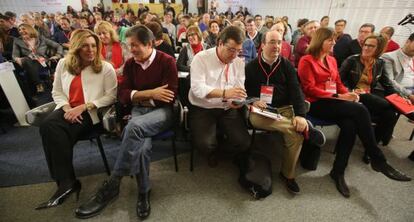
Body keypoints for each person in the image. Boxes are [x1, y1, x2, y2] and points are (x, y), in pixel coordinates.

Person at [75, 25, 178, 220]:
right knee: (142, 147)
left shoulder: (167, 61)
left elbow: (169, 98)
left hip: (162, 112)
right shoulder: (131, 64)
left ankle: (113, 183)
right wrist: (149, 94)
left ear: (149, 44)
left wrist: (136, 96)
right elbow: (122, 95)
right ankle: (143, 193)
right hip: (140, 111)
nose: (131, 50)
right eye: (129, 45)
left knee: (134, 126)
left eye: (135, 45)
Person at [298, 27, 411, 198]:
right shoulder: (307, 60)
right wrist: (339, 96)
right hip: (316, 103)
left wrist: (348, 94)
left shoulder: (332, 60)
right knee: (359, 109)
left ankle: (338, 171)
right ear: (321, 41)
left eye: (334, 40)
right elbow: (309, 89)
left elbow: (338, 82)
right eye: (330, 40)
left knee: (350, 125)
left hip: (334, 100)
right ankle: (377, 157)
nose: (334, 43)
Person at [35, 29, 117, 210]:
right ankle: (67, 182)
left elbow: (111, 97)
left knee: (56, 131)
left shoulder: (105, 67)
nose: (91, 50)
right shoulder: (64, 64)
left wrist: (84, 107)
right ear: (76, 48)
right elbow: (56, 91)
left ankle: (66, 183)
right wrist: (67, 108)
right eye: (85, 46)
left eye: (94, 46)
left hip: (91, 112)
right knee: (47, 125)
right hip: (67, 108)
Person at [245, 30, 325, 194]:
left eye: (279, 42)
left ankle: (288, 175)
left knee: (295, 135)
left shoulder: (287, 65)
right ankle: (307, 130)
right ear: (263, 45)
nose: (276, 46)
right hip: (262, 110)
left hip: (283, 109)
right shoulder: (251, 66)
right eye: (272, 42)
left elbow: (296, 92)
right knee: (262, 122)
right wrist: (253, 100)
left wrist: (301, 116)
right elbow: (244, 92)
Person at [188, 26, 250, 167]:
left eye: (238, 51)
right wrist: (224, 93)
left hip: (227, 107)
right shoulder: (201, 58)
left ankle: (220, 144)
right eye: (231, 50)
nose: (234, 55)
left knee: (244, 142)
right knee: (205, 145)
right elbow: (197, 89)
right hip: (203, 107)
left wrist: (239, 100)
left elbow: (240, 87)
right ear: (220, 43)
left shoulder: (238, 62)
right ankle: (213, 150)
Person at [340, 35, 400, 162]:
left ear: (378, 49)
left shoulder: (379, 63)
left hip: (368, 97)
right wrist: (350, 91)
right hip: (353, 95)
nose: (366, 48)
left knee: (390, 114)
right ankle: (387, 133)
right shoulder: (352, 60)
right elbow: (339, 80)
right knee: (390, 106)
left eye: (371, 46)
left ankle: (370, 150)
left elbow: (387, 84)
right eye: (365, 45)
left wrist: (396, 98)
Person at [382, 33, 414, 161]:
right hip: (397, 94)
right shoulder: (389, 57)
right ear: (408, 41)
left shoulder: (412, 59)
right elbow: (390, 82)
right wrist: (409, 95)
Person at [12, 24, 63, 94]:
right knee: (26, 60)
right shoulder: (18, 41)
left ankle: (37, 86)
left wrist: (57, 55)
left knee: (28, 64)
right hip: (28, 62)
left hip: (43, 62)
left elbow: (58, 46)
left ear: (29, 29)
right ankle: (39, 84)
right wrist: (18, 59)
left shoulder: (41, 38)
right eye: (19, 30)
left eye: (23, 29)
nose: (21, 31)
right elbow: (14, 55)